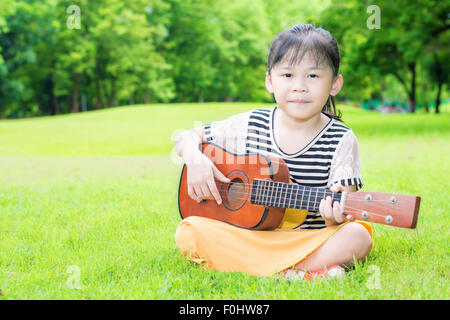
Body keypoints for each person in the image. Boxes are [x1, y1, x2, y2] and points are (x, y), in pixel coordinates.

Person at [173, 23, 373, 281]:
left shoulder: (341, 140)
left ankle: (275, 268)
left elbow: (343, 214)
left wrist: (334, 219)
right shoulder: (250, 124)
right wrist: (195, 159)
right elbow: (186, 137)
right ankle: (302, 272)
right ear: (270, 81)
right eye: (287, 75)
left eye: (313, 76)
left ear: (335, 84)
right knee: (188, 231)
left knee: (357, 236)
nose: (299, 86)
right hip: (250, 235)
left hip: (305, 239)